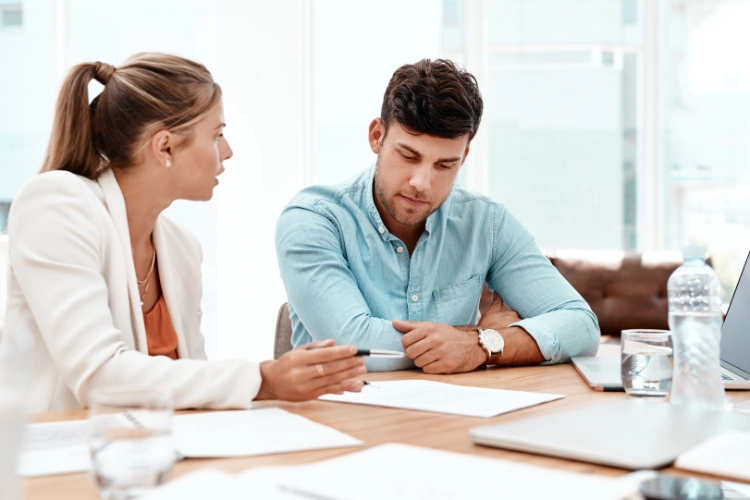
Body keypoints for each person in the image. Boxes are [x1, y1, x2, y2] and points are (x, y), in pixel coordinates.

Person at [2, 53, 365, 413]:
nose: (228, 151)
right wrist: (264, 379)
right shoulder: (55, 206)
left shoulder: (181, 248)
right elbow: (99, 376)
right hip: (53, 460)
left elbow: (191, 384)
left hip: (152, 454)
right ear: (165, 147)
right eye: (217, 135)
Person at [276, 59, 600, 373]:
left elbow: (581, 325)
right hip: (335, 421)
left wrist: (480, 345)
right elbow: (356, 346)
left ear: (464, 156)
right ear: (377, 136)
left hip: (448, 422)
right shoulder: (313, 220)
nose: (421, 183)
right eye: (408, 156)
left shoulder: (486, 222)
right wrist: (477, 336)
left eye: (444, 165)